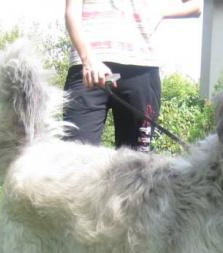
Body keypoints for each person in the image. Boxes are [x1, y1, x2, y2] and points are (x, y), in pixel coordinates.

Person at [63, 0, 202, 151]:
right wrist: (87, 58)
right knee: (74, 159)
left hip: (142, 67)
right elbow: (72, 10)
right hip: (89, 70)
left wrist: (161, 12)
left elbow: (195, 6)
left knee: (136, 166)